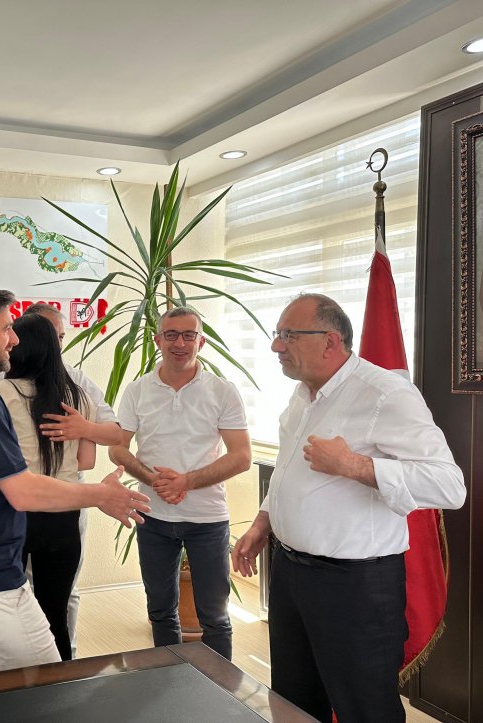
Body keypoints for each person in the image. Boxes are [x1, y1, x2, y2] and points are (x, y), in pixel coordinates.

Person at [231, 293, 466, 723]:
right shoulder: (302, 394)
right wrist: (264, 522)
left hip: (354, 585)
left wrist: (354, 465)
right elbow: (288, 469)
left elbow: (449, 486)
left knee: (365, 708)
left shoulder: (385, 394)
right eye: (277, 334)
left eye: (288, 336)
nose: (276, 346)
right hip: (290, 573)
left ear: (330, 341)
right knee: (294, 700)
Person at [0, 285, 150, 678]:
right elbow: (21, 490)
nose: (14, 339)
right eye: (6, 328)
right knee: (48, 683)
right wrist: (100, 494)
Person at [109, 306, 251, 660]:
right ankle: (170, 682)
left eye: (189, 335)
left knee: (215, 618)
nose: (180, 343)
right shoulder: (138, 390)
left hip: (207, 520)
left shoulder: (222, 391)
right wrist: (154, 480)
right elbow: (116, 448)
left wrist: (186, 481)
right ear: (157, 340)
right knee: (160, 612)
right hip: (153, 518)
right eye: (171, 335)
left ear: (201, 342)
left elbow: (241, 456)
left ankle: (219, 688)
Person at [20, 301, 122, 657]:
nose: (57, 343)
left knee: (64, 591)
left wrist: (84, 428)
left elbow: (116, 433)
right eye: (51, 335)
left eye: (61, 336)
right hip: (21, 499)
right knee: (20, 590)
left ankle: (66, 659)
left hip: (67, 500)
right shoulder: (3, 381)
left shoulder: (76, 382)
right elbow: (88, 458)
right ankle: (38, 660)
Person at [0, 313, 99, 659]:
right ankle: (62, 682)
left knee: (10, 611)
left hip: (17, 512)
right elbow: (86, 462)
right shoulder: (79, 397)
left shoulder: (2, 392)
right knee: (56, 614)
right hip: (64, 515)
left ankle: (18, 683)